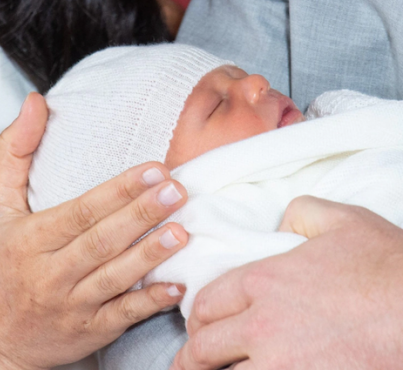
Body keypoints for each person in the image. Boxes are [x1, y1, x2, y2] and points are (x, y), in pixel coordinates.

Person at [28, 43, 403, 370]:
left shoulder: (330, 121)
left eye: (236, 74)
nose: (257, 81)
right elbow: (295, 305)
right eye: (218, 105)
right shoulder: (198, 232)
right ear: (162, 195)